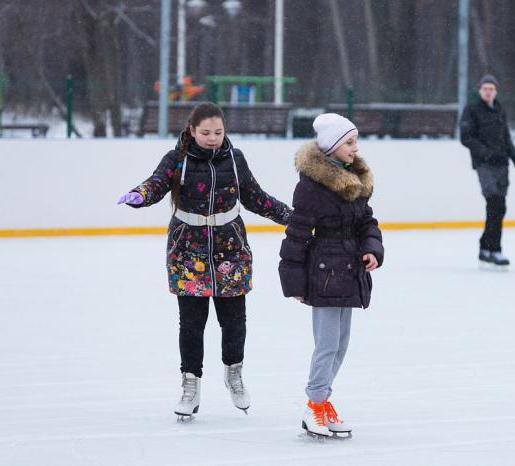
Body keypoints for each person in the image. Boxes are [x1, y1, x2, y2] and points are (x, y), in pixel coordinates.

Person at [117, 102, 291, 420]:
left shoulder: (235, 160)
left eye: (218, 132)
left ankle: (234, 373)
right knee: (192, 324)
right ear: (192, 130)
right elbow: (157, 184)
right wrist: (140, 194)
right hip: (188, 250)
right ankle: (190, 384)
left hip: (230, 249)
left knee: (234, 321)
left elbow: (255, 197)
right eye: (206, 133)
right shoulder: (177, 159)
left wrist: (289, 216)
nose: (212, 139)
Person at [278, 113, 384, 438]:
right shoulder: (311, 187)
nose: (355, 148)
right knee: (326, 344)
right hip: (323, 274)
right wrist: (295, 281)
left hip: (350, 273)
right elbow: (296, 234)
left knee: (340, 345)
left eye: (355, 141)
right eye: (349, 142)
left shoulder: (354, 181)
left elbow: (367, 222)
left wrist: (372, 249)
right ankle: (315, 405)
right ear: (332, 146)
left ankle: (323, 402)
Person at [459, 74, 515, 267]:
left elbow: (506, 136)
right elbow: (466, 137)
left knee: (499, 207)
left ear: (496, 92)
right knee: (494, 201)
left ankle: (486, 248)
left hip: (502, 164)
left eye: (492, 89)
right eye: (485, 89)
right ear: (480, 91)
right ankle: (494, 250)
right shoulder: (471, 110)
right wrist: (486, 154)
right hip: (484, 164)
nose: (488, 92)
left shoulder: (499, 110)